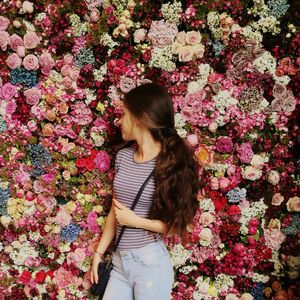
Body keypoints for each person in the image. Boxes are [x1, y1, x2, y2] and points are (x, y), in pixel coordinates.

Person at [90, 83, 199, 300]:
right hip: (120, 263)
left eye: (124, 115)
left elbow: (177, 226)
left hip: (150, 264)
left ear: (140, 118)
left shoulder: (171, 163)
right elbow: (115, 210)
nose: (119, 121)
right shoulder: (122, 157)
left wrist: (136, 221)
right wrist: (99, 253)